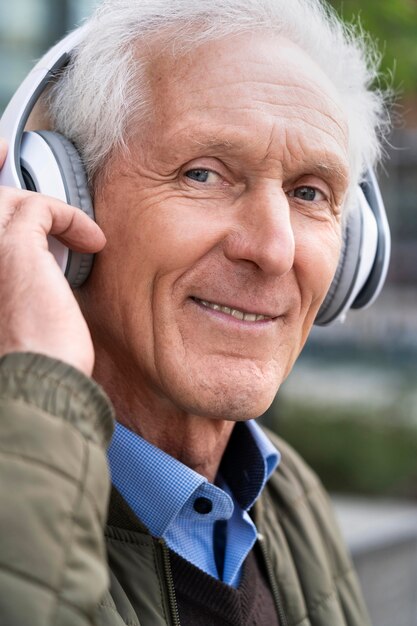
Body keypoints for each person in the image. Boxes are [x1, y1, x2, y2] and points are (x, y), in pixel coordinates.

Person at [0, 0, 389, 624]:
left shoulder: (289, 499)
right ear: (57, 201)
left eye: (309, 192)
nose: (271, 248)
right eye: (203, 175)